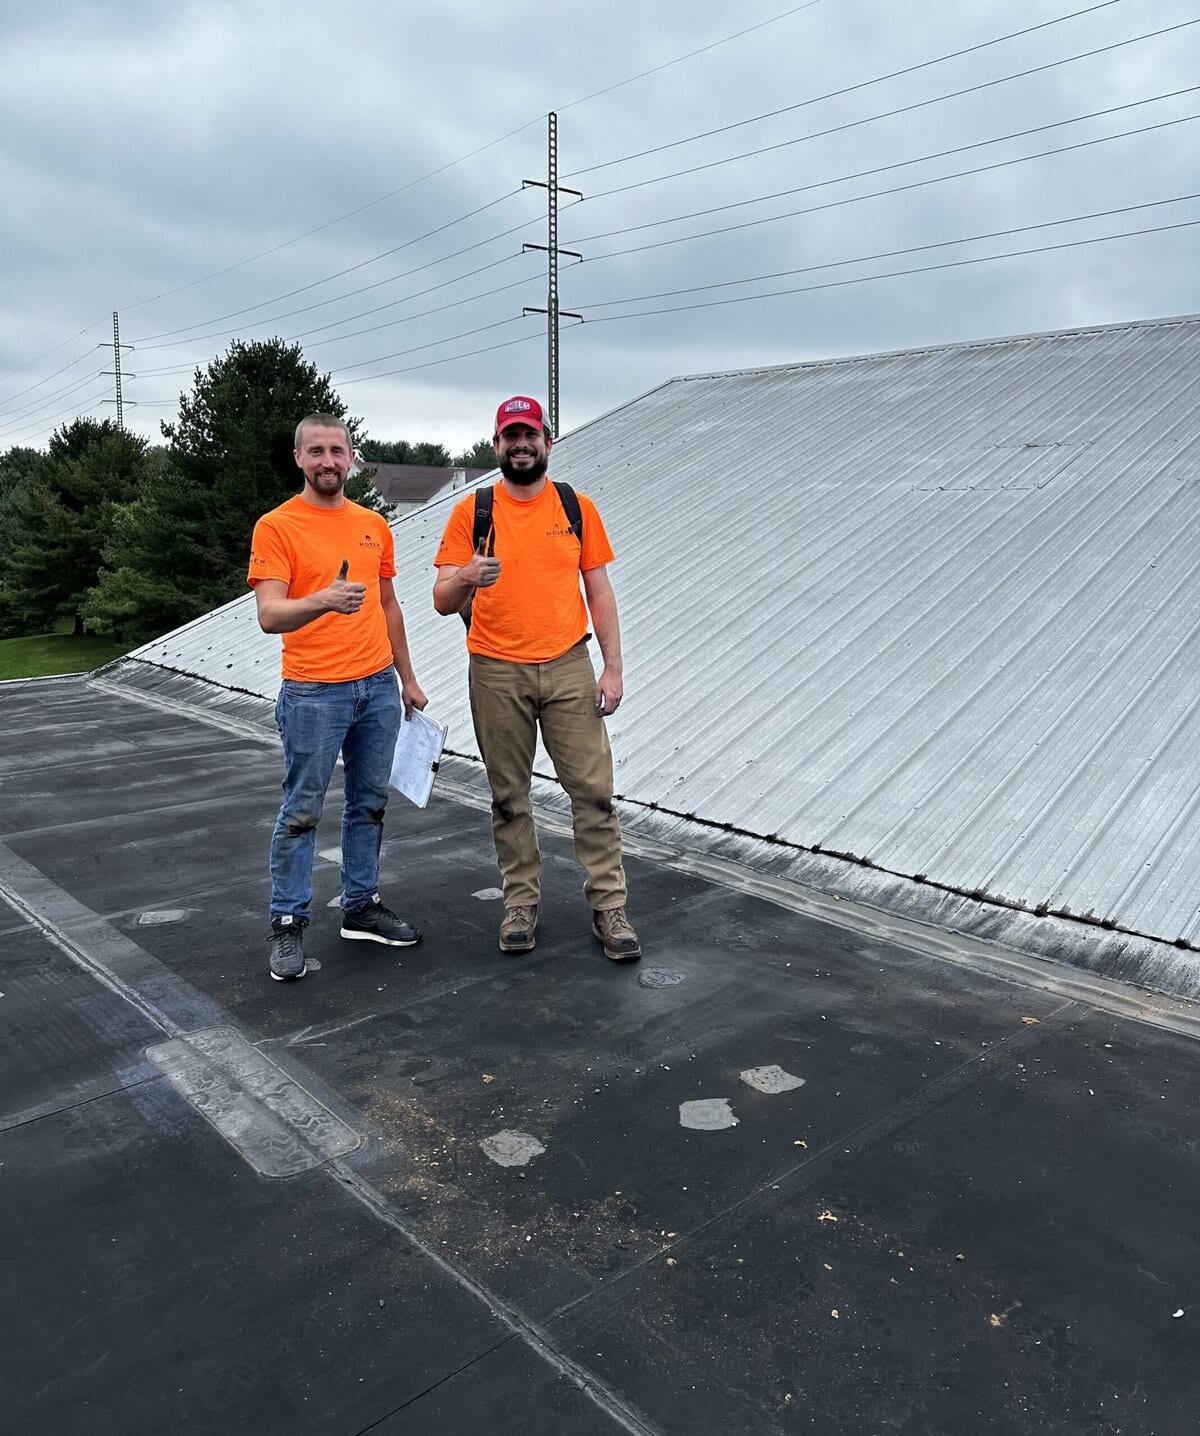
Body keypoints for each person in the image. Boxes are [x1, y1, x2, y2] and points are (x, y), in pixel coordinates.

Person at [432, 396, 640, 962]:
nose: (521, 444)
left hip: (571, 665)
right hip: (496, 669)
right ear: (496, 445)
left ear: (547, 442)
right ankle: (520, 904)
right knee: (508, 797)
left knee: (593, 793)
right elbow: (441, 600)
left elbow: (598, 589)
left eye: (531, 435)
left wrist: (613, 666)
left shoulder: (575, 507)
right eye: (510, 436)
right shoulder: (472, 511)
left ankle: (609, 907)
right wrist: (468, 575)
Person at [248, 413, 428, 982]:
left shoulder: (374, 523)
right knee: (302, 810)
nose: (329, 461)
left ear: (352, 458)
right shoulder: (277, 527)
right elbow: (269, 614)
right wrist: (324, 600)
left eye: (338, 450)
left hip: (376, 687)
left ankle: (360, 906)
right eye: (317, 451)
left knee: (368, 804)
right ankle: (287, 921)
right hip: (312, 692)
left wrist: (407, 678)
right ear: (299, 458)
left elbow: (388, 604)